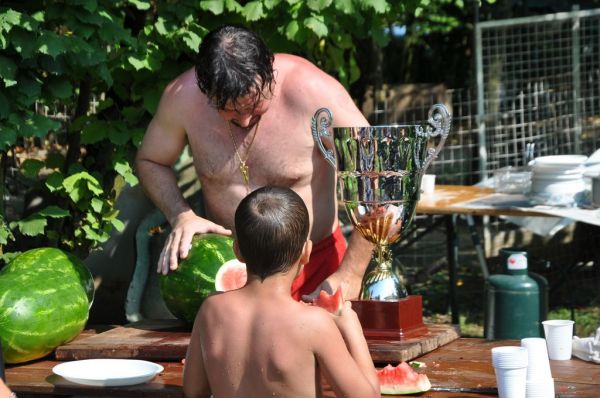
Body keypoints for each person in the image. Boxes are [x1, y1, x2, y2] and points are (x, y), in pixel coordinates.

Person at [135, 24, 373, 300]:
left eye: (254, 105)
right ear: (204, 90)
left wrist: (351, 273)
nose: (246, 121)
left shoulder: (313, 91)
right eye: (230, 112)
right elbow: (151, 160)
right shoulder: (181, 99)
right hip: (230, 270)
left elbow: (378, 174)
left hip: (316, 267)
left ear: (270, 72)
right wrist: (181, 215)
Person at [182, 186, 379, 398]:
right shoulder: (314, 324)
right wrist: (352, 328)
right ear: (306, 252)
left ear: (237, 250)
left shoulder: (211, 309)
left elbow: (194, 391)